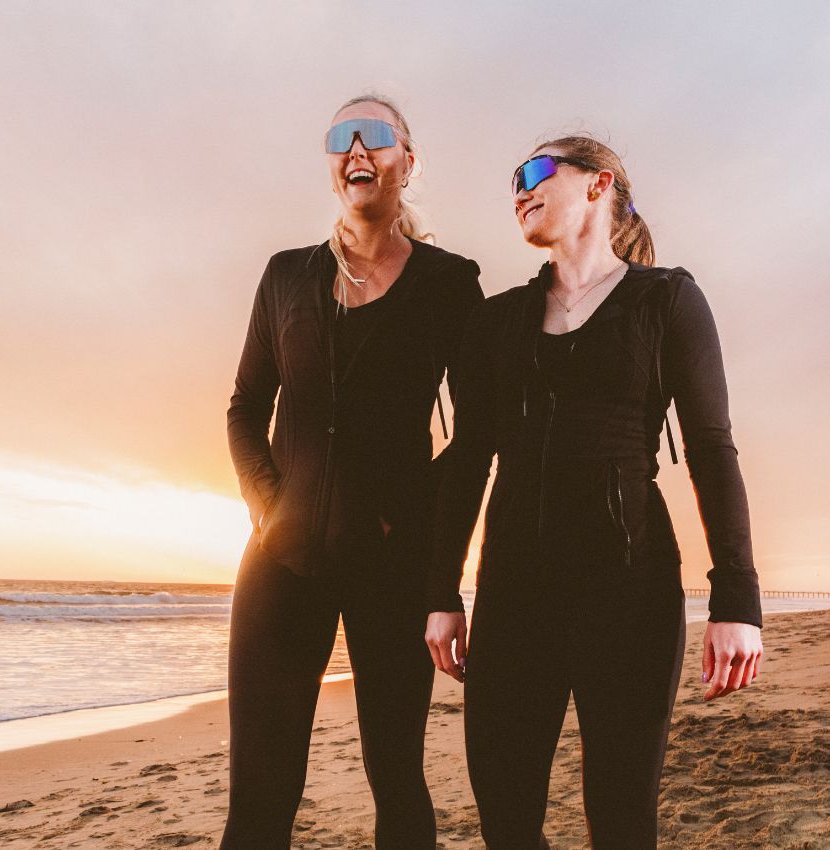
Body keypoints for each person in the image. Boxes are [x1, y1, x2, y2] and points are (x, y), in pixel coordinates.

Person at [424, 135, 764, 850]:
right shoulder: (496, 320)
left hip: (630, 592)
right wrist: (441, 592)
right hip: (515, 592)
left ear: (599, 184)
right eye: (512, 178)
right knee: (507, 815)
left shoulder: (666, 298)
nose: (520, 186)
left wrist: (737, 597)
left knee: (619, 814)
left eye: (538, 170)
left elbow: (711, 447)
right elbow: (468, 461)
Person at [220, 93, 483, 849]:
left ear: (408, 161)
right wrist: (272, 509)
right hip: (280, 566)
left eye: (377, 137)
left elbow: (476, 438)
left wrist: (427, 550)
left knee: (397, 778)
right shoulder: (285, 277)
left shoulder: (450, 283)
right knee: (261, 794)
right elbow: (244, 409)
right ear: (333, 163)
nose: (357, 149)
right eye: (342, 137)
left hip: (393, 568)